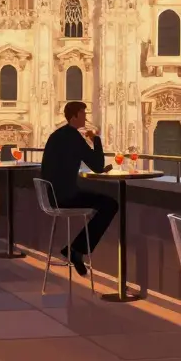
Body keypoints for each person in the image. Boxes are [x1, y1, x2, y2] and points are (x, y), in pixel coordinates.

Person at [39, 101, 117, 276]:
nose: (86, 117)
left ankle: (75, 249)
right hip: (65, 197)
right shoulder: (73, 137)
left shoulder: (57, 135)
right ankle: (76, 249)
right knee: (110, 204)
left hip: (52, 195)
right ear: (74, 116)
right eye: (83, 114)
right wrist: (95, 138)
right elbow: (97, 165)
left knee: (100, 203)